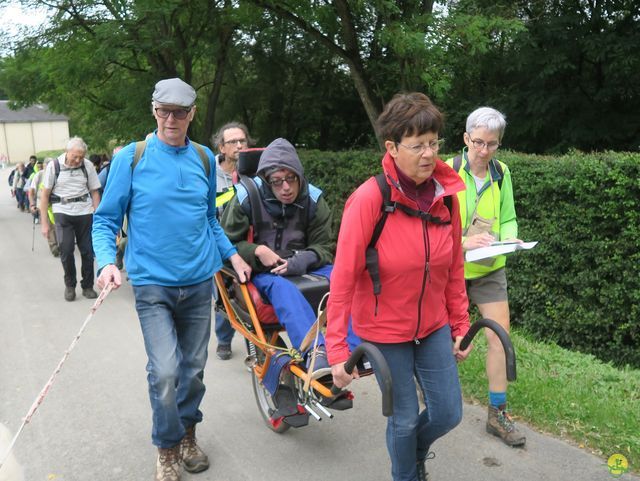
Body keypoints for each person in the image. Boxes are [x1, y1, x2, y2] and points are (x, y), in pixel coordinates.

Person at [92, 78, 251, 481]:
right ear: (153, 109)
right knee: (164, 371)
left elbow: (210, 220)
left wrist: (232, 255)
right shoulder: (132, 157)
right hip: (152, 285)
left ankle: (187, 435)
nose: (171, 118)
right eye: (164, 110)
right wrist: (106, 262)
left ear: (192, 114)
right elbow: (106, 220)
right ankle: (167, 448)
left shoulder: (204, 159)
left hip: (199, 283)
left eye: (180, 111)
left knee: (193, 370)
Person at [326, 92, 472, 481]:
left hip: (433, 326)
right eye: (417, 145)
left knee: (448, 413)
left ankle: (413, 454)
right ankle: (407, 474)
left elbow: (453, 267)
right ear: (391, 147)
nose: (429, 154)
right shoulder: (370, 199)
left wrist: (460, 325)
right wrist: (337, 350)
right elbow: (342, 279)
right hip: (384, 332)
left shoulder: (448, 198)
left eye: (434, 143)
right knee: (404, 421)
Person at [220, 137, 338, 373]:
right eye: (277, 181)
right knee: (284, 289)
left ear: (299, 175)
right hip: (264, 271)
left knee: (344, 279)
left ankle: (354, 348)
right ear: (266, 179)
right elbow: (225, 243)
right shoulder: (244, 198)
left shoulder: (314, 200)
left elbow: (326, 246)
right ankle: (314, 353)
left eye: (291, 179)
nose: (286, 187)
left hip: (305, 264)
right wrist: (256, 251)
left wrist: (303, 259)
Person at [446, 106, 525, 447]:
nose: (484, 151)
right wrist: (464, 241)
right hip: (450, 269)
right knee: (440, 340)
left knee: (499, 337)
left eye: (492, 144)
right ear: (465, 138)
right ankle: (432, 394)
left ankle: (497, 414)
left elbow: (508, 216)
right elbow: (431, 227)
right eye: (478, 142)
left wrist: (509, 240)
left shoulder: (502, 172)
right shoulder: (446, 171)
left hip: (490, 268)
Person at [39, 138, 101, 301]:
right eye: (75, 156)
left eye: (81, 157)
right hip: (62, 211)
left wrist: (99, 215)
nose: (78, 160)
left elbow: (95, 192)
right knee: (66, 251)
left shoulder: (87, 166)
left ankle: (87, 286)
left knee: (87, 251)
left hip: (85, 212)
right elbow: (44, 196)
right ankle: (70, 285)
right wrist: (45, 223)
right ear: (67, 152)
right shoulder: (54, 166)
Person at [211, 121, 253, 360]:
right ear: (221, 147)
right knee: (223, 295)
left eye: (242, 141)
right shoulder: (209, 174)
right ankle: (224, 339)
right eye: (233, 142)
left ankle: (254, 347)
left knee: (248, 296)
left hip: (246, 244)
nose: (239, 145)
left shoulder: (256, 172)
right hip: (218, 245)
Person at [29, 158, 60, 257]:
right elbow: (32, 191)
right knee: (49, 226)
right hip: (42, 205)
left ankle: (61, 244)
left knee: (59, 226)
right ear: (45, 166)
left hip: (57, 205)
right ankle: (54, 246)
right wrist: (32, 204)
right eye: (48, 165)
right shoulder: (39, 175)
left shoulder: (58, 174)